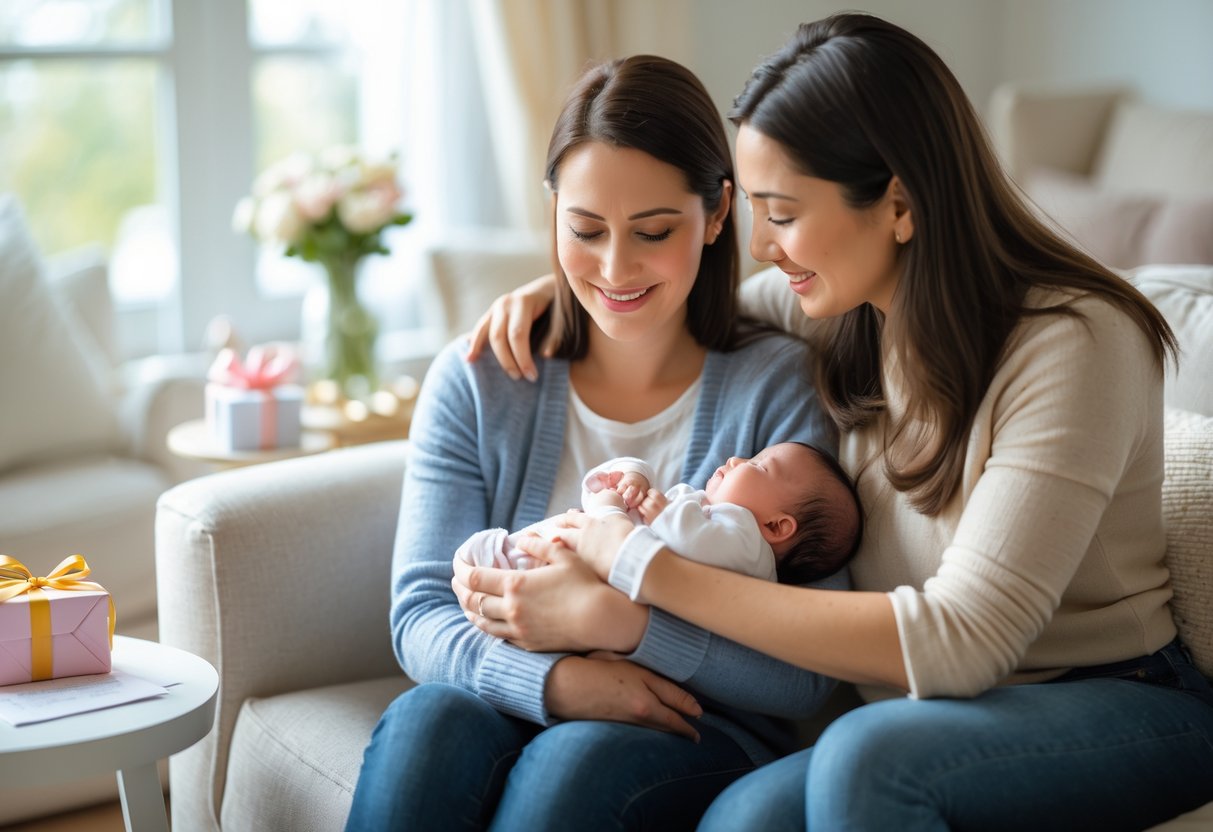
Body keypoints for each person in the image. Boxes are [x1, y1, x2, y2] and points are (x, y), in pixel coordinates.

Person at [463, 13, 1213, 830]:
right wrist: (565, 294)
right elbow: (675, 305)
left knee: (863, 758)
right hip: (912, 717)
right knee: (741, 818)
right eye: (750, 210)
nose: (759, 247)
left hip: (1115, 699)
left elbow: (964, 640)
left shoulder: (1076, 342)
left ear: (897, 201)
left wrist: (641, 564)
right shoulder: (838, 308)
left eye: (781, 213)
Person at [344, 54, 848, 832]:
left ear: (717, 215)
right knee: (426, 724)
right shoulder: (480, 380)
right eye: (585, 229)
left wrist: (633, 631)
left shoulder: (776, 389)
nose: (615, 268)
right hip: (501, 699)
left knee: (573, 763)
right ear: (552, 211)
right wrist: (557, 683)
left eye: (653, 231)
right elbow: (420, 613)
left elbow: (808, 676)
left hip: (695, 727)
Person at [455, 442, 862, 588]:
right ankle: (499, 558)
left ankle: (500, 560)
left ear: (777, 526)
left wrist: (663, 513)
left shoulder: (748, 548)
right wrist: (632, 479)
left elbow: (696, 544)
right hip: (588, 550)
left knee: (519, 562)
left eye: (758, 465)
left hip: (589, 576)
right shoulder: (705, 509)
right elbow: (653, 513)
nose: (737, 457)